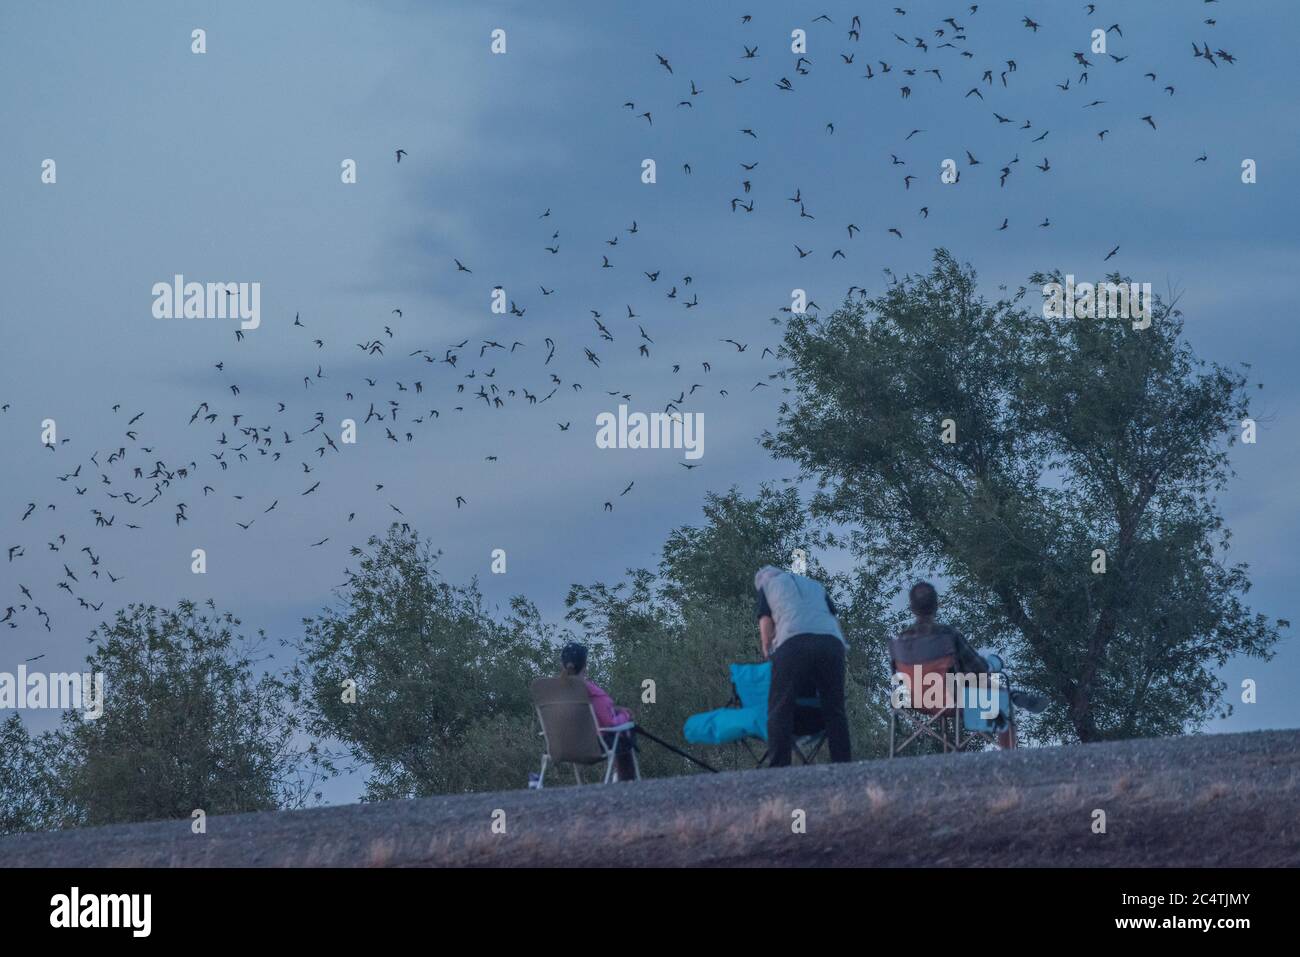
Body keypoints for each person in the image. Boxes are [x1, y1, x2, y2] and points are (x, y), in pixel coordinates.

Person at [895, 581, 1047, 747]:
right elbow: (979, 669)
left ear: (912, 608)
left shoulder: (901, 642)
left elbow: (900, 678)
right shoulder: (948, 635)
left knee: (968, 681)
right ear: (936, 606)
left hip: (916, 702)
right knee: (989, 688)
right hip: (953, 702)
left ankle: (1013, 695)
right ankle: (1008, 755)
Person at [754, 565, 851, 767]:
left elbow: (765, 620)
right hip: (831, 644)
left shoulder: (767, 586)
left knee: (780, 707)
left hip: (793, 642)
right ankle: (844, 764)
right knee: (834, 708)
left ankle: (780, 767)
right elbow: (833, 618)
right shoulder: (815, 585)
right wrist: (840, 646)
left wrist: (767, 648)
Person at [560, 642, 638, 781]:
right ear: (585, 666)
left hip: (565, 745)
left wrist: (615, 709)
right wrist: (625, 716)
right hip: (593, 746)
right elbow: (609, 724)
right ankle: (626, 783)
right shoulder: (591, 691)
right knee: (624, 734)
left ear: (563, 665)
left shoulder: (556, 691)